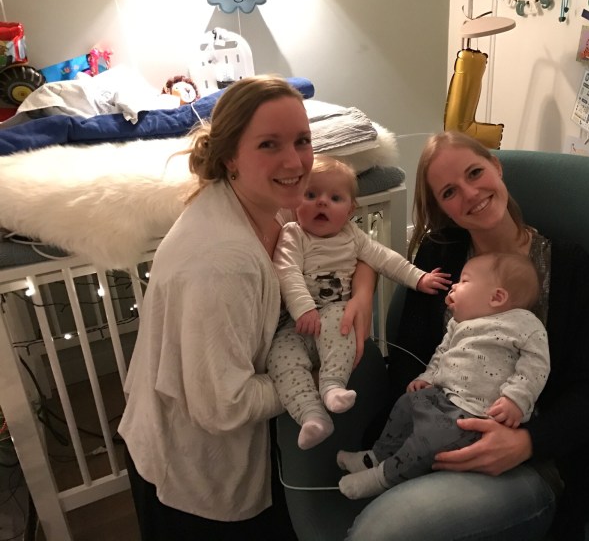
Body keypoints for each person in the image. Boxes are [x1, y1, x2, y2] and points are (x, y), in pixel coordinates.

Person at [117, 76, 377, 541]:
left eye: (302, 141)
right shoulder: (223, 263)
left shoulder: (273, 206)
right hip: (192, 471)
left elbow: (350, 246)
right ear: (230, 157)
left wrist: (361, 295)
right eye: (269, 144)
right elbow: (224, 404)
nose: (295, 162)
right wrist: (318, 375)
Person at [347, 131, 589, 541]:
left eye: (475, 173)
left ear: (496, 167)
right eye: (449, 192)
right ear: (442, 208)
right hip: (434, 438)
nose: (470, 194)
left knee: (381, 532)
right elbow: (408, 363)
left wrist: (524, 443)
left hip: (529, 462)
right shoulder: (439, 254)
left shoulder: (569, 267)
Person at [269, 155, 451, 450]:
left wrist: (419, 278)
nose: (321, 202)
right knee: (279, 353)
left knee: (342, 323)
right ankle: (311, 415)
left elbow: (386, 259)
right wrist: (304, 308)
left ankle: (332, 386)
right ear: (295, 203)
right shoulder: (294, 234)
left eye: (335, 198)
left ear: (350, 210)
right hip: (299, 321)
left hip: (335, 313)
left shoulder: (353, 237)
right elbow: (286, 271)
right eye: (311, 195)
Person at [337, 251, 549, 499]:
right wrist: (427, 377)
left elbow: (536, 364)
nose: (454, 286)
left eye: (464, 281)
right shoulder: (457, 324)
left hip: (475, 415)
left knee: (427, 440)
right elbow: (441, 354)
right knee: (406, 405)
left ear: (497, 297)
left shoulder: (525, 324)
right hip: (441, 397)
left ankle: (381, 478)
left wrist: (516, 399)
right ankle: (375, 456)